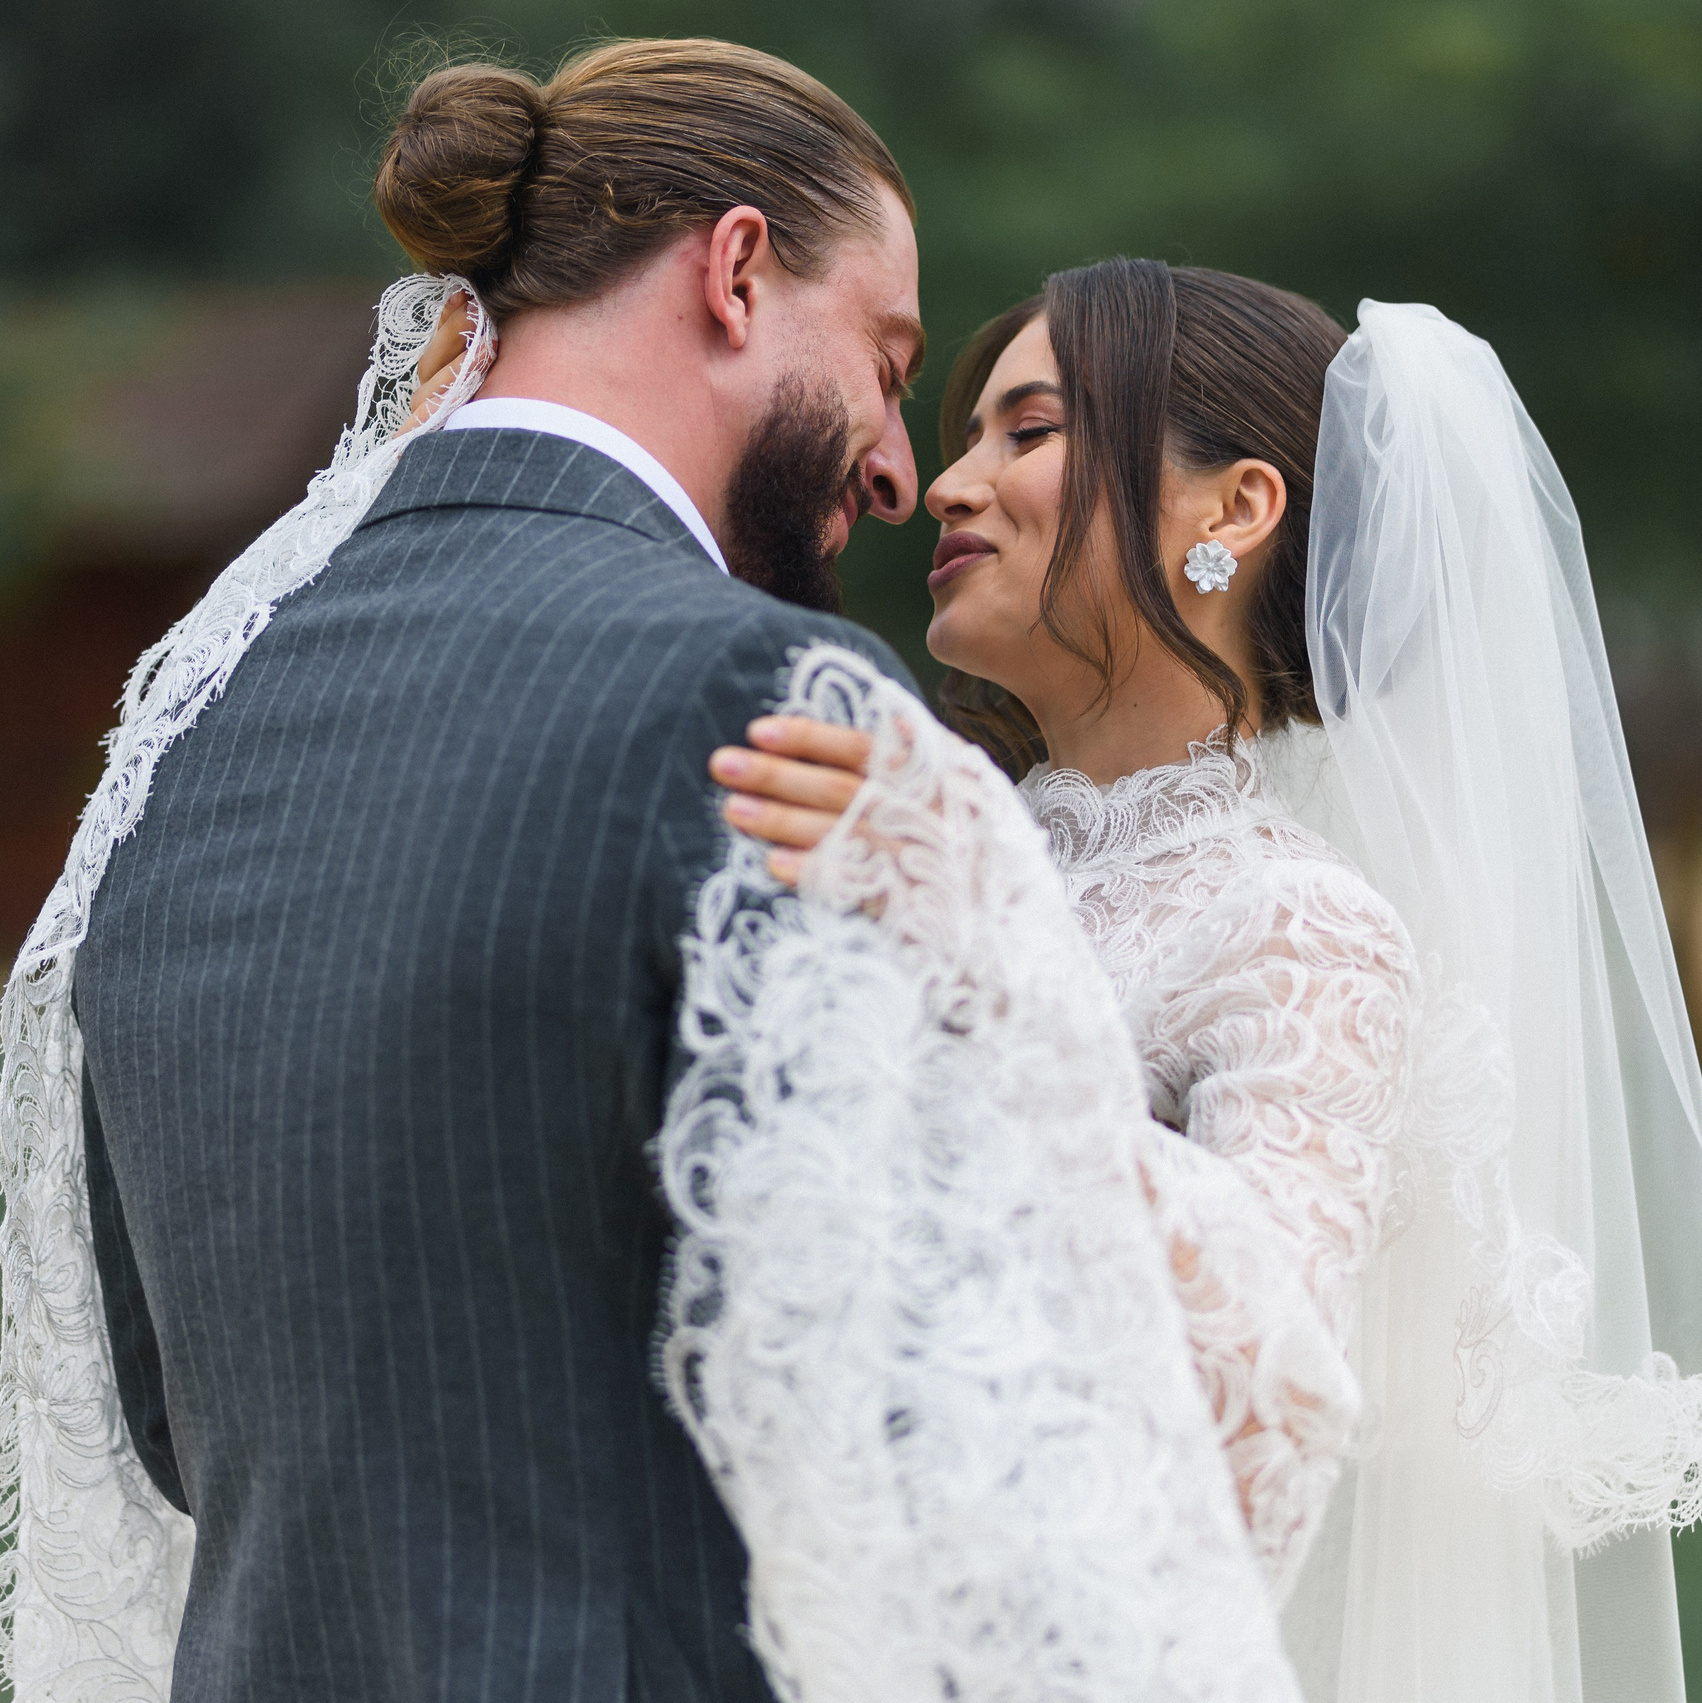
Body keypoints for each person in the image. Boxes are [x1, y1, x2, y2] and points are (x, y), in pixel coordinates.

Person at [0, 42, 1305, 1703]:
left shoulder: (184, 722)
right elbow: (954, 1410)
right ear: (738, 269)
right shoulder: (765, 710)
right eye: (889, 361)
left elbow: (164, 1413)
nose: (901, 470)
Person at [711, 258, 1702, 1702]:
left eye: (1028, 433)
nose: (947, 484)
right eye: (968, 432)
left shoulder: (1299, 927)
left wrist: (973, 951)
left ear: (1232, 510)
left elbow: (1265, 1366)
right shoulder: (928, 844)